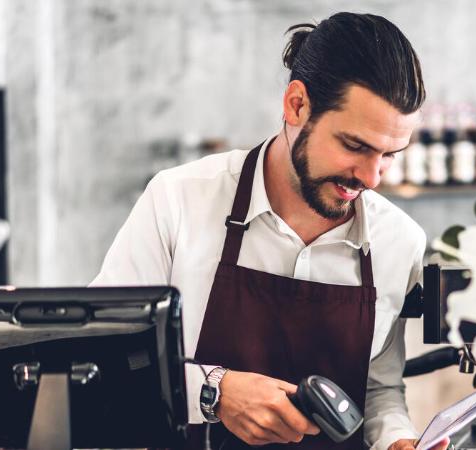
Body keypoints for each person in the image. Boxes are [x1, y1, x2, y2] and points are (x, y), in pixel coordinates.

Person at [93, 12, 448, 450]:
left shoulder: (399, 241)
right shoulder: (179, 200)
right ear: (296, 105)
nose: (372, 177)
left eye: (390, 154)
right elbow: (104, 359)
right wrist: (214, 391)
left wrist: (397, 440)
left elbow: (379, 390)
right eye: (355, 145)